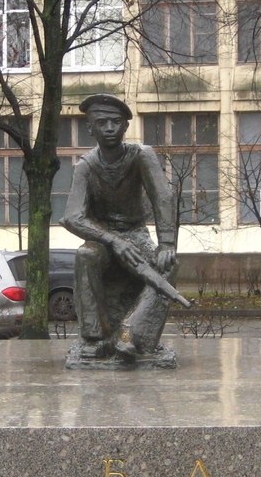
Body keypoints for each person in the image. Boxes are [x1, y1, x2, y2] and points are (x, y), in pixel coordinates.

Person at [61, 93, 184, 365]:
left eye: (115, 122)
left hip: (136, 234)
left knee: (167, 265)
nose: (109, 128)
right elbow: (72, 216)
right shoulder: (85, 166)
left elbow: (163, 196)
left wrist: (166, 243)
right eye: (101, 122)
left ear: (126, 126)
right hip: (102, 238)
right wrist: (112, 241)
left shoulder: (141, 156)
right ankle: (95, 339)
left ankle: (132, 334)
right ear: (90, 128)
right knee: (86, 255)